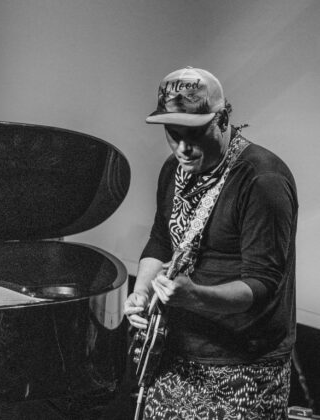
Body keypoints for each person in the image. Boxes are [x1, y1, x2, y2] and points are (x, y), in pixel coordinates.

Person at [124, 67, 297, 419]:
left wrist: (195, 295)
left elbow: (261, 286)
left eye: (195, 135)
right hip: (175, 353)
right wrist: (140, 293)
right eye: (173, 135)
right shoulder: (174, 169)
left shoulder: (263, 180)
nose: (183, 149)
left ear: (223, 119)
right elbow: (161, 241)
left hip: (243, 366)